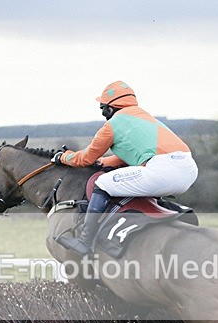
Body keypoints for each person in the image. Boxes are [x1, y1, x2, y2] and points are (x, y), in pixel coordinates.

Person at [52, 80, 198, 256]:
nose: (103, 113)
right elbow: (131, 155)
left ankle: (84, 241)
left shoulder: (111, 125)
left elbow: (85, 158)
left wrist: (63, 156)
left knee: (102, 183)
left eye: (103, 108)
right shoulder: (145, 117)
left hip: (162, 171)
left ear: (110, 109)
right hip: (189, 169)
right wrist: (103, 162)